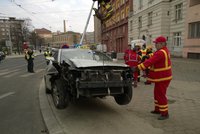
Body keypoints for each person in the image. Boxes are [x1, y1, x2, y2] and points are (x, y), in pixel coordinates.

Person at [133, 36, 172, 120]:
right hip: (162, 77)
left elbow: (151, 61)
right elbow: (153, 56)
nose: (155, 45)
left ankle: (165, 113)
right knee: (157, 93)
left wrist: (138, 67)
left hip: (163, 77)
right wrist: (147, 56)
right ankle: (158, 109)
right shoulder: (163, 50)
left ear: (162, 44)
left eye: (156, 43)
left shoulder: (161, 52)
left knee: (161, 95)